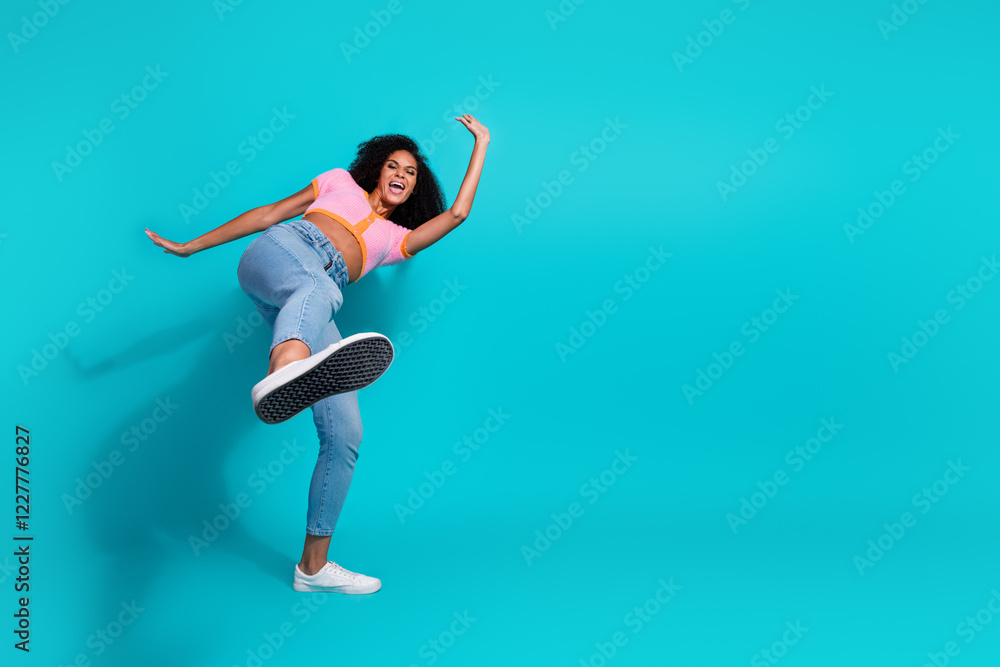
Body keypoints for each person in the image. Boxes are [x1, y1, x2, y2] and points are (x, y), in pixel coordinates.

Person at [145, 113, 490, 593]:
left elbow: (457, 214)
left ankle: (312, 567)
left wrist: (482, 145)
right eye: (394, 165)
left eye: (411, 173)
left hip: (303, 303)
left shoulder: (395, 242)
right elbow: (269, 213)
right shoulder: (338, 182)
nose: (401, 175)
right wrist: (192, 245)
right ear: (376, 169)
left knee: (346, 433)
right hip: (279, 255)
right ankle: (283, 369)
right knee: (322, 290)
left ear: (415, 190)